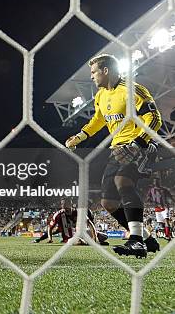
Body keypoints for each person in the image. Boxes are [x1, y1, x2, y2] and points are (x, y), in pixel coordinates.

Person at [65, 54, 161, 258]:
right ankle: (146, 238)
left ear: (105, 70)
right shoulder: (101, 95)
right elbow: (98, 120)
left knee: (123, 181)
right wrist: (80, 137)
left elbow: (154, 118)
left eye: (93, 72)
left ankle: (135, 241)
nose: (91, 77)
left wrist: (138, 143)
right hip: (117, 149)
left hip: (140, 146)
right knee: (108, 203)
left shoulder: (132, 89)